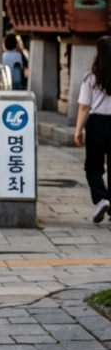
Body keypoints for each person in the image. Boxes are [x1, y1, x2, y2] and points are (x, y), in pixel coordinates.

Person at [73, 35, 111, 223]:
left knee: (93, 167)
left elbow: (83, 106)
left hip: (97, 124)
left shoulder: (91, 76)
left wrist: (78, 130)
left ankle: (102, 198)